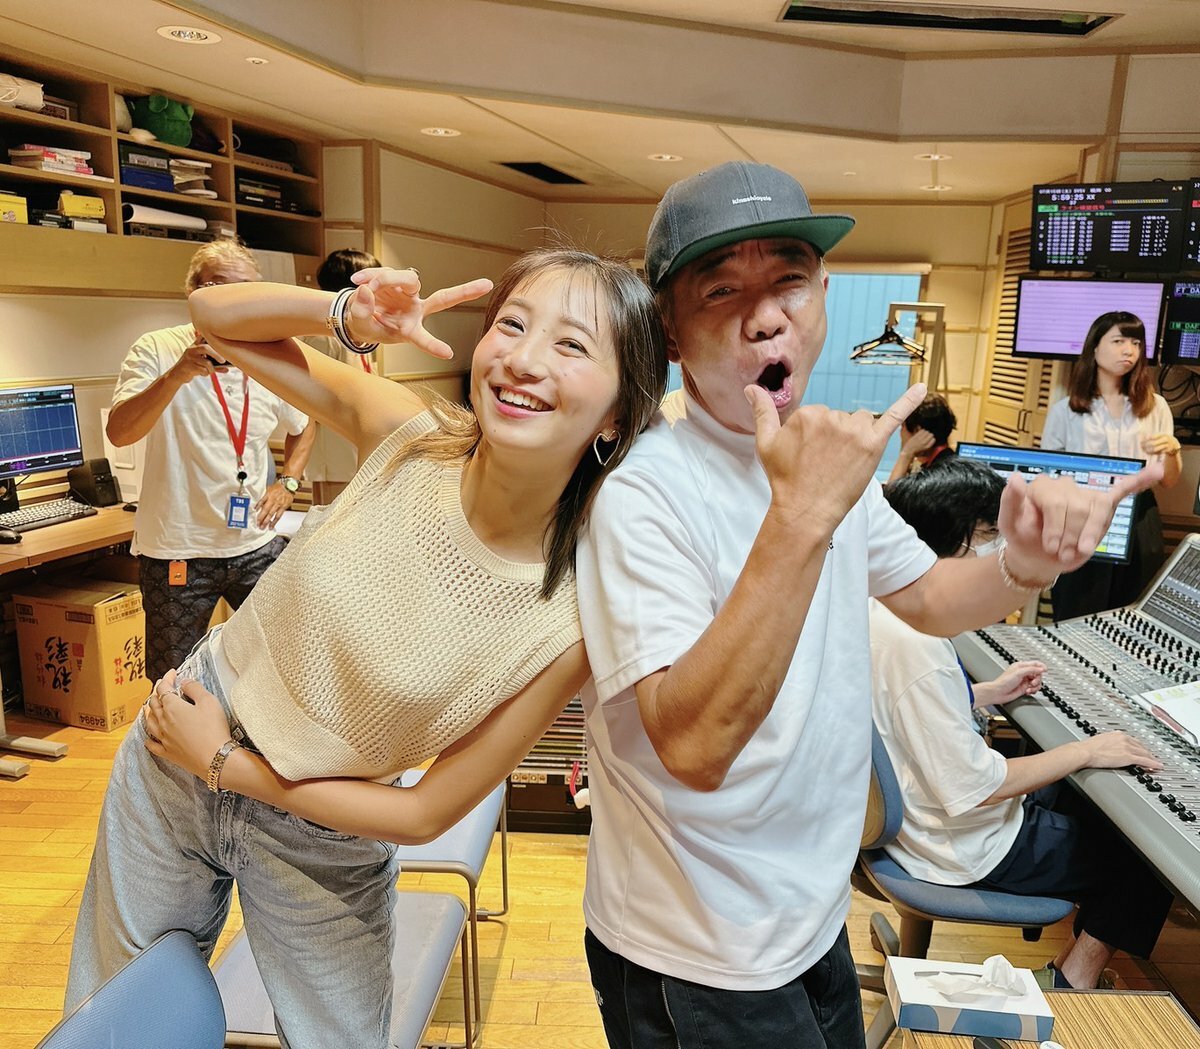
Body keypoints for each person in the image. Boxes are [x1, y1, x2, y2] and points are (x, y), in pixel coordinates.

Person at [574, 161, 1162, 1049]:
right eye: (722, 289)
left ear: (823, 299)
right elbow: (693, 747)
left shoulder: (827, 460)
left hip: (810, 915)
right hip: (696, 946)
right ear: (669, 328)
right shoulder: (641, 489)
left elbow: (926, 595)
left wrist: (1023, 563)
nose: (765, 315)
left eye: (789, 281)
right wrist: (802, 516)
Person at [66, 249, 668, 1049]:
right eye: (513, 325)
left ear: (618, 414)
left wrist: (227, 763)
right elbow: (213, 319)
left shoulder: (570, 614)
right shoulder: (413, 434)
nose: (524, 359)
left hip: (322, 825)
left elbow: (425, 810)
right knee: (114, 1023)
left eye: (571, 344)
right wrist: (344, 315)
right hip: (179, 745)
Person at [872, 457, 1172, 989]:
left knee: (1083, 798)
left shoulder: (883, 612)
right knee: (1147, 857)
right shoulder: (922, 648)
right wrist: (1085, 750)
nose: (1002, 551)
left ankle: (1071, 960)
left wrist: (983, 693)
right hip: (959, 845)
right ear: (960, 542)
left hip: (917, 816)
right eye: (995, 537)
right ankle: (1073, 979)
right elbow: (975, 788)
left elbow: (901, 711)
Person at [107, 240, 316, 683]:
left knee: (286, 662)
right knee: (171, 682)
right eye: (218, 286)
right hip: (177, 550)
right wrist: (176, 376)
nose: (233, 299)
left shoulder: (271, 355)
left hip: (255, 543)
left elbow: (305, 422)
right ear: (193, 293)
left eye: (245, 289)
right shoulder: (157, 349)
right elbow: (121, 432)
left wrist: (289, 483)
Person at [1042, 310, 1182, 620]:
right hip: (1082, 516)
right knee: (1076, 609)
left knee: (1132, 614)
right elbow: (1048, 478)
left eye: (1136, 343)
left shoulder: (1156, 405)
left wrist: (1173, 451)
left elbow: (1169, 481)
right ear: (1094, 348)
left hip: (1140, 517)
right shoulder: (1066, 409)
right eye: (1118, 341)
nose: (1129, 350)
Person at [305, 248, 385, 503]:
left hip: (359, 452)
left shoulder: (358, 333)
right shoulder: (323, 334)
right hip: (336, 459)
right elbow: (313, 400)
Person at [886, 392, 957, 482]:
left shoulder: (935, 476)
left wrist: (906, 454)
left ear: (918, 431)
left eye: (903, 427)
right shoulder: (949, 463)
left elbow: (891, 490)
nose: (900, 432)